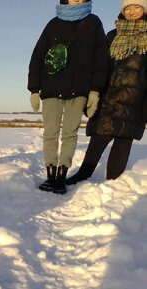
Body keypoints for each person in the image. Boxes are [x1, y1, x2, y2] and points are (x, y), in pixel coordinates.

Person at [27, 0, 108, 194]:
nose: (77, 0)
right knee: (51, 133)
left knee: (70, 134)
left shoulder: (93, 23)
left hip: (79, 89)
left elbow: (101, 60)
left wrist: (95, 91)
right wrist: (34, 89)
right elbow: (37, 56)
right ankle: (50, 176)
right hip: (52, 89)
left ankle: (61, 177)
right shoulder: (53, 23)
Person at [66, 0, 147, 185]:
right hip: (109, 97)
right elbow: (98, 66)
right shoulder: (112, 36)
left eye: (136, 7)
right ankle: (83, 175)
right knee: (98, 140)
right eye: (128, 8)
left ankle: (112, 184)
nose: (132, 11)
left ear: (144, 9)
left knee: (123, 144)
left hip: (136, 100)